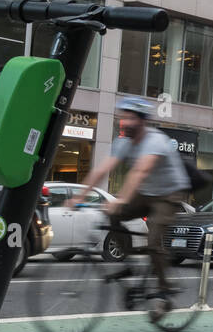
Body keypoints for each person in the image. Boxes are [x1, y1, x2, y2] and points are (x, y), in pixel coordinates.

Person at [69, 96, 191, 319]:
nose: (124, 122)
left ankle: (165, 293)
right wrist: (79, 196)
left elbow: (140, 172)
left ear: (142, 121)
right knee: (112, 213)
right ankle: (128, 261)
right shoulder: (123, 142)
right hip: (147, 193)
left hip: (169, 195)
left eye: (130, 118)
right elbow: (101, 170)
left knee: (154, 239)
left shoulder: (155, 141)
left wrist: (122, 199)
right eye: (123, 117)